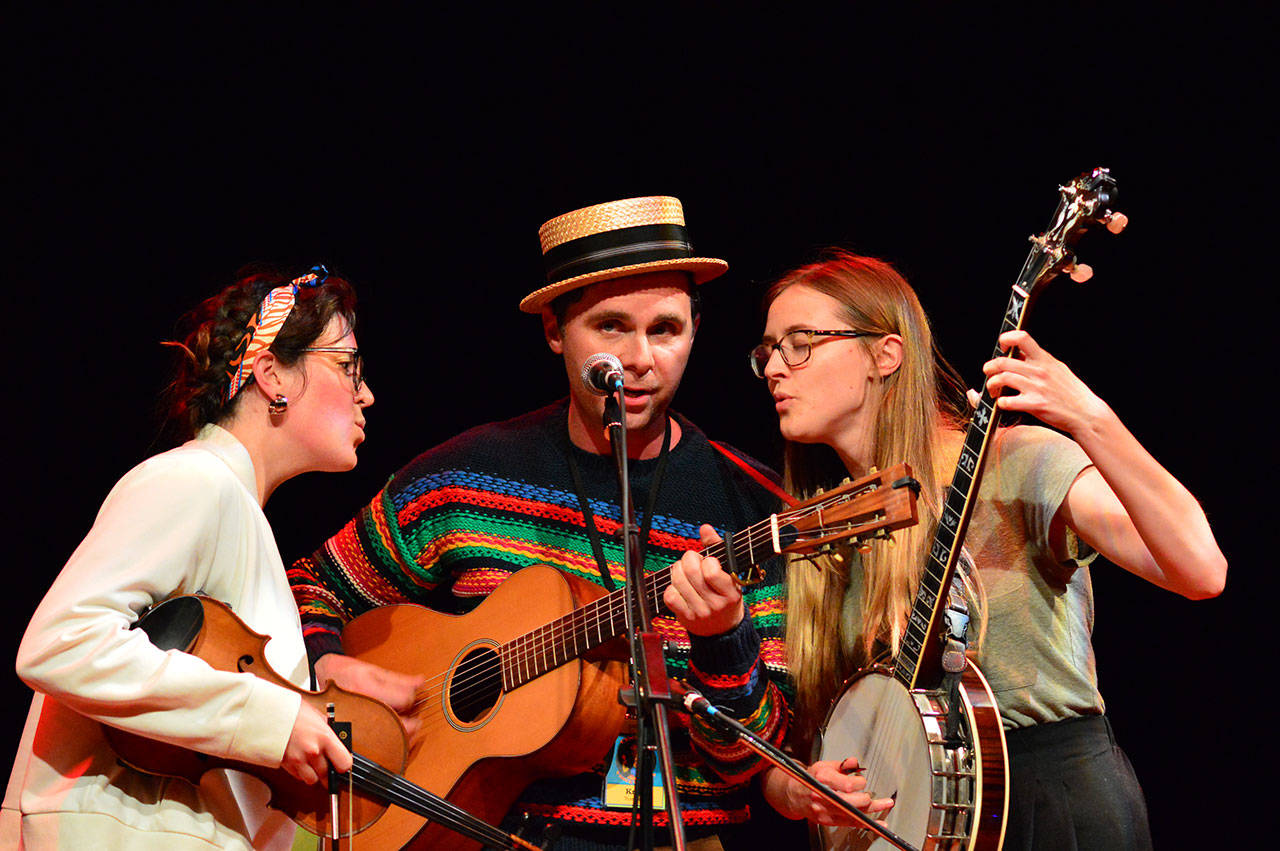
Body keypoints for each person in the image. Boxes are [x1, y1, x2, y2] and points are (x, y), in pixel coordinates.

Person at [289, 197, 797, 850]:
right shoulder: (467, 473)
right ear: (555, 329)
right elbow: (311, 581)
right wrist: (329, 661)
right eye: (610, 327)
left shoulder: (750, 504)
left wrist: (721, 639)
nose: (639, 358)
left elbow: (752, 758)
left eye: (666, 329)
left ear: (697, 329)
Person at [747, 251, 1226, 848]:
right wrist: (801, 790)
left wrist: (1090, 420)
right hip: (917, 817)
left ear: (884, 354)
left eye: (800, 343)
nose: (774, 368)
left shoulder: (1016, 461)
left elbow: (1200, 569)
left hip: (1046, 803)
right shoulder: (820, 532)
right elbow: (791, 742)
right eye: (768, 350)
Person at [2, 265, 374, 850]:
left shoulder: (237, 511)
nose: (366, 394)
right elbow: (62, 641)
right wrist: (272, 718)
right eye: (347, 366)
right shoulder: (195, 480)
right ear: (273, 374)